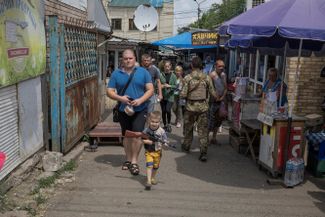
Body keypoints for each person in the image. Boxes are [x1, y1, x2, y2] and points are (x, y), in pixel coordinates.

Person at [107, 49, 154, 175]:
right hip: (123, 110)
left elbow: (150, 90)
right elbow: (109, 91)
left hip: (140, 109)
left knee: (137, 134)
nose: (128, 60)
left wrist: (140, 100)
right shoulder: (116, 74)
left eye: (130, 58)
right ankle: (128, 159)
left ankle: (134, 162)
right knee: (127, 136)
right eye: (125, 58)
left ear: (135, 59)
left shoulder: (143, 72)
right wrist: (120, 98)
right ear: (122, 59)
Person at [180, 56, 219, 162]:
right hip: (203, 108)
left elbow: (183, 94)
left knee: (188, 129)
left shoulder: (187, 78)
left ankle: (187, 146)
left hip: (190, 108)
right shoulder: (206, 77)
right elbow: (213, 93)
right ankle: (203, 153)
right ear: (201, 65)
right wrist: (219, 98)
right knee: (203, 131)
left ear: (192, 65)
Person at [142, 111, 168, 190]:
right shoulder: (146, 130)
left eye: (156, 122)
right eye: (152, 121)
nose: (154, 123)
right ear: (149, 121)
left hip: (158, 152)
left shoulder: (162, 131)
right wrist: (147, 141)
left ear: (159, 122)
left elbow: (165, 140)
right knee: (149, 166)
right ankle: (149, 181)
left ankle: (152, 178)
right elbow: (141, 139)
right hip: (149, 151)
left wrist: (165, 144)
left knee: (155, 167)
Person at [208, 60, 228, 145]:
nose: (221, 68)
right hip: (213, 101)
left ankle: (214, 138)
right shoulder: (212, 75)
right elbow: (209, 87)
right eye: (220, 66)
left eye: (223, 66)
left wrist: (223, 97)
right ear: (215, 66)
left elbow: (226, 88)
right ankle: (206, 138)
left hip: (221, 100)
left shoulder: (223, 75)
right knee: (210, 120)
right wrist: (214, 96)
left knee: (219, 120)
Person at [160, 60, 177, 133]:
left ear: (170, 67)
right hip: (162, 96)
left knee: (168, 110)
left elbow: (176, 86)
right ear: (163, 67)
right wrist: (161, 86)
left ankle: (169, 124)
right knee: (163, 111)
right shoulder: (160, 75)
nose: (167, 68)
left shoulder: (173, 76)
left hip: (170, 96)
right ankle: (164, 125)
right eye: (165, 66)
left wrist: (170, 86)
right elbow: (156, 85)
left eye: (168, 66)